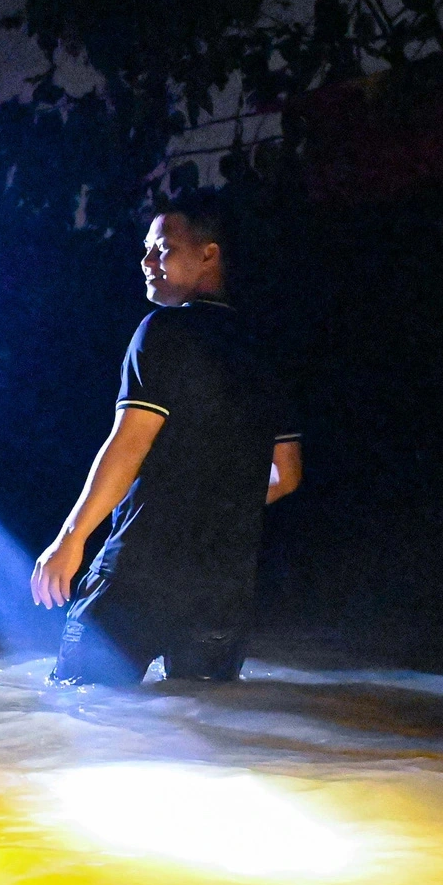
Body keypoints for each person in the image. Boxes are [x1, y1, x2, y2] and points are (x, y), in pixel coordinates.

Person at [30, 188, 302, 684]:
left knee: (78, 710)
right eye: (147, 249)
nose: (147, 261)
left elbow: (128, 446)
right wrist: (218, 497)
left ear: (208, 254)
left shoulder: (164, 330)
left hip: (141, 574)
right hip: (224, 589)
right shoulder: (265, 351)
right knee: (204, 724)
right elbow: (286, 476)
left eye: (163, 249)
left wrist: (70, 539)